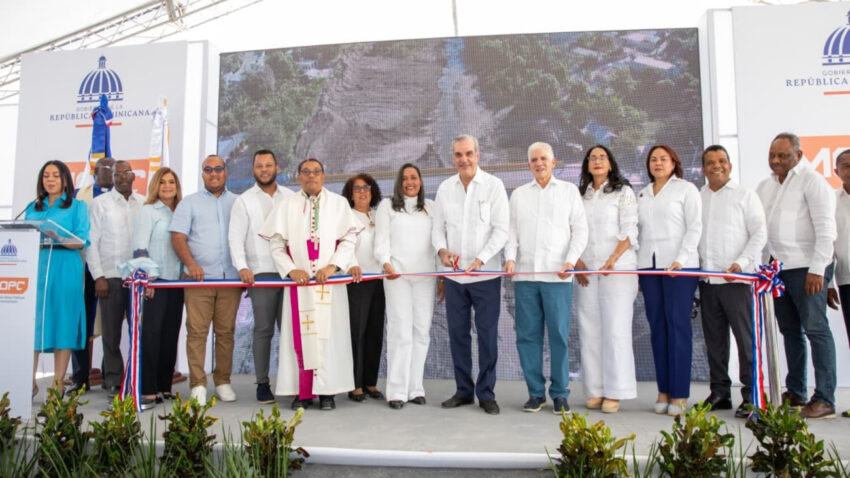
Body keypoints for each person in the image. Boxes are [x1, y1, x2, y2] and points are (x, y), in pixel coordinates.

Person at [260, 158, 360, 411]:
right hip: (300, 284)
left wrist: (333, 266)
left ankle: (327, 392)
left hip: (329, 283)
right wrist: (291, 269)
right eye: (306, 172)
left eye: (316, 172)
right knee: (300, 336)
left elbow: (349, 241)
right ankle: (302, 392)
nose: (311, 176)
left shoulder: (339, 204)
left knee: (329, 337)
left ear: (324, 176)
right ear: (298, 177)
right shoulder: (286, 205)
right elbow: (276, 245)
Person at [757, 133, 837, 419]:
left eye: (783, 156)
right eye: (772, 155)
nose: (776, 161)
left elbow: (826, 230)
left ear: (799, 155)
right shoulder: (765, 186)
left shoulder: (813, 182)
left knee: (816, 329)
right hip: (778, 270)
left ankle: (825, 398)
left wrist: (818, 270)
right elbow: (761, 231)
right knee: (790, 331)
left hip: (808, 268)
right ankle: (796, 391)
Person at [504, 142, 587, 414]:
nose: (538, 163)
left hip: (557, 276)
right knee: (528, 337)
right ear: (528, 164)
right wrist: (510, 258)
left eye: (543, 159)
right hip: (526, 276)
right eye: (533, 160)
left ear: (554, 162)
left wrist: (570, 261)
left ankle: (561, 394)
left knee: (559, 337)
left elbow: (580, 231)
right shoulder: (518, 195)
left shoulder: (569, 191)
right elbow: (511, 231)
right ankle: (535, 393)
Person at [432, 134, 509, 415]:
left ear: (478, 155)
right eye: (458, 155)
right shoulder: (444, 189)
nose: (463, 159)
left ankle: (486, 393)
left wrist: (482, 258)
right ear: (453, 157)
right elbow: (437, 228)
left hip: (486, 276)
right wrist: (442, 252)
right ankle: (463, 391)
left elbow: (502, 229)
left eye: (468, 154)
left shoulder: (494, 186)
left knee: (487, 335)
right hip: (453, 278)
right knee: (458, 335)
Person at [697, 145, 766, 419]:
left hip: (737, 280)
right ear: (703, 168)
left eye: (722, 161)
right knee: (714, 341)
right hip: (707, 280)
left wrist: (742, 262)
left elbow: (759, 233)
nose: (717, 166)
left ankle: (751, 395)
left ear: (730, 165)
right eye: (711, 162)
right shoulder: (697, 197)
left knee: (745, 340)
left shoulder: (745, 195)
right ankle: (720, 393)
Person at [170, 155, 241, 405]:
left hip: (230, 280)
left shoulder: (238, 202)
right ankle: (198, 383)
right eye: (208, 170)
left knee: (226, 333)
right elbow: (178, 237)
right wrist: (191, 265)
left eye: (218, 169)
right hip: (198, 281)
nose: (213, 174)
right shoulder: (189, 203)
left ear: (225, 172)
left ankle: (222, 381)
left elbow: (247, 238)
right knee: (197, 332)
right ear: (203, 174)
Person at [637, 144, 701, 417]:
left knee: (678, 329)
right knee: (657, 329)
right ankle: (663, 390)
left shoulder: (686, 189)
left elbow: (695, 227)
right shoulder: (642, 194)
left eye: (663, 159)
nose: (658, 163)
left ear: (674, 162)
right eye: (653, 159)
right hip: (649, 268)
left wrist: (682, 258)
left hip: (679, 268)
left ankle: (680, 394)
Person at [574, 145, 638, 414]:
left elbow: (630, 229)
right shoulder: (580, 196)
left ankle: (616, 391)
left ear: (610, 163)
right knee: (589, 328)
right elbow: (572, 229)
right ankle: (595, 389)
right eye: (592, 158)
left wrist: (613, 258)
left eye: (602, 157)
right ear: (587, 165)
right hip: (587, 270)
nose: (597, 161)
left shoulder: (624, 192)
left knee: (615, 329)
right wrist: (577, 261)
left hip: (618, 269)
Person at [228, 149, 294, 404]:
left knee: (289, 331)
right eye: (259, 166)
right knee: (264, 329)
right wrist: (242, 267)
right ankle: (263, 384)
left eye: (268, 165)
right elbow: (235, 238)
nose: (264, 169)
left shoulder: (291, 197)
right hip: (261, 273)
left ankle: (293, 383)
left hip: (289, 272)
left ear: (277, 168)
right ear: (253, 170)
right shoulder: (244, 201)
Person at [374, 164, 436, 409]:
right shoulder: (387, 207)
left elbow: (437, 241)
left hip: (425, 278)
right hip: (396, 277)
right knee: (400, 332)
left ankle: (415, 388)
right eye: (405, 178)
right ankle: (397, 391)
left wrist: (440, 276)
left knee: (421, 331)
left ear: (421, 181)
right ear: (399, 183)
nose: (410, 182)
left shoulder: (431, 208)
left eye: (414, 177)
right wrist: (386, 263)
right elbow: (381, 242)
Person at [26, 160, 90, 397]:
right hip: (36, 269)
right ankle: (28, 382)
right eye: (46, 176)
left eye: (55, 175)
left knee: (63, 322)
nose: (50, 180)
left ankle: (57, 384)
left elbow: (81, 240)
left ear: (65, 179)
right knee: (31, 325)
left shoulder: (77, 207)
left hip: (65, 268)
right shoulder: (32, 207)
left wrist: (58, 236)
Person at [87, 160, 144, 398]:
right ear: (112, 178)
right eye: (117, 174)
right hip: (110, 277)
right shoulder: (100, 204)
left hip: (138, 278)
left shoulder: (144, 203)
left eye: (126, 173)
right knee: (111, 334)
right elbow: (91, 241)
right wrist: (98, 276)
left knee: (138, 331)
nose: (122, 177)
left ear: (133, 176)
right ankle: (112, 380)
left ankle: (137, 377)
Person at [132, 167, 184, 409]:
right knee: (151, 336)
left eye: (171, 182)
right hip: (156, 281)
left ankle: (164, 386)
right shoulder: (148, 211)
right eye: (162, 182)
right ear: (155, 185)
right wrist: (147, 277)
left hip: (177, 282)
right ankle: (148, 388)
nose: (167, 186)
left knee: (170, 335)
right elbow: (140, 247)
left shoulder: (182, 211)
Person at [68, 156, 114, 395]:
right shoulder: (78, 195)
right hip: (83, 271)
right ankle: (80, 378)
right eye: (104, 168)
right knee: (82, 326)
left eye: (113, 168)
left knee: (110, 325)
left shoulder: (125, 197)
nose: (108, 171)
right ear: (94, 171)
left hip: (110, 272)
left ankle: (110, 376)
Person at [341, 174, 386, 404]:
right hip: (356, 281)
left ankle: (370, 381)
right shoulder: (346, 216)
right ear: (350, 194)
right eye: (356, 188)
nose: (362, 192)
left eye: (366, 187)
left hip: (379, 280)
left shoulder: (379, 215)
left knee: (375, 331)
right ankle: (355, 384)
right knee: (356, 332)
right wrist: (352, 265)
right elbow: (342, 246)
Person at [826, 148, 850, 418]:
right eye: (844, 165)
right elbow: (828, 243)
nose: (849, 169)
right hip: (845, 279)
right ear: (836, 171)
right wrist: (829, 282)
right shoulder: (832, 201)